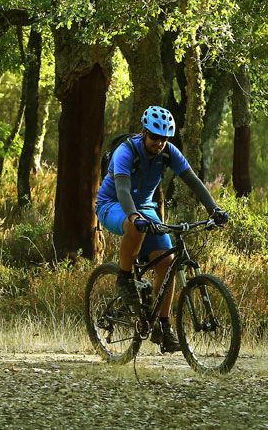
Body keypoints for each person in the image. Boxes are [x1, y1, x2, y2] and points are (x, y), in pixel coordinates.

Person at [95, 105, 229, 353]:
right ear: (144, 132)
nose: (159, 143)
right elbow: (123, 190)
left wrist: (214, 209)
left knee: (166, 265)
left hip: (145, 207)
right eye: (155, 137)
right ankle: (124, 280)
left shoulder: (169, 152)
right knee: (136, 227)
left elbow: (193, 182)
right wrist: (134, 216)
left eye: (164, 138)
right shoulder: (126, 152)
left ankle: (162, 328)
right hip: (112, 204)